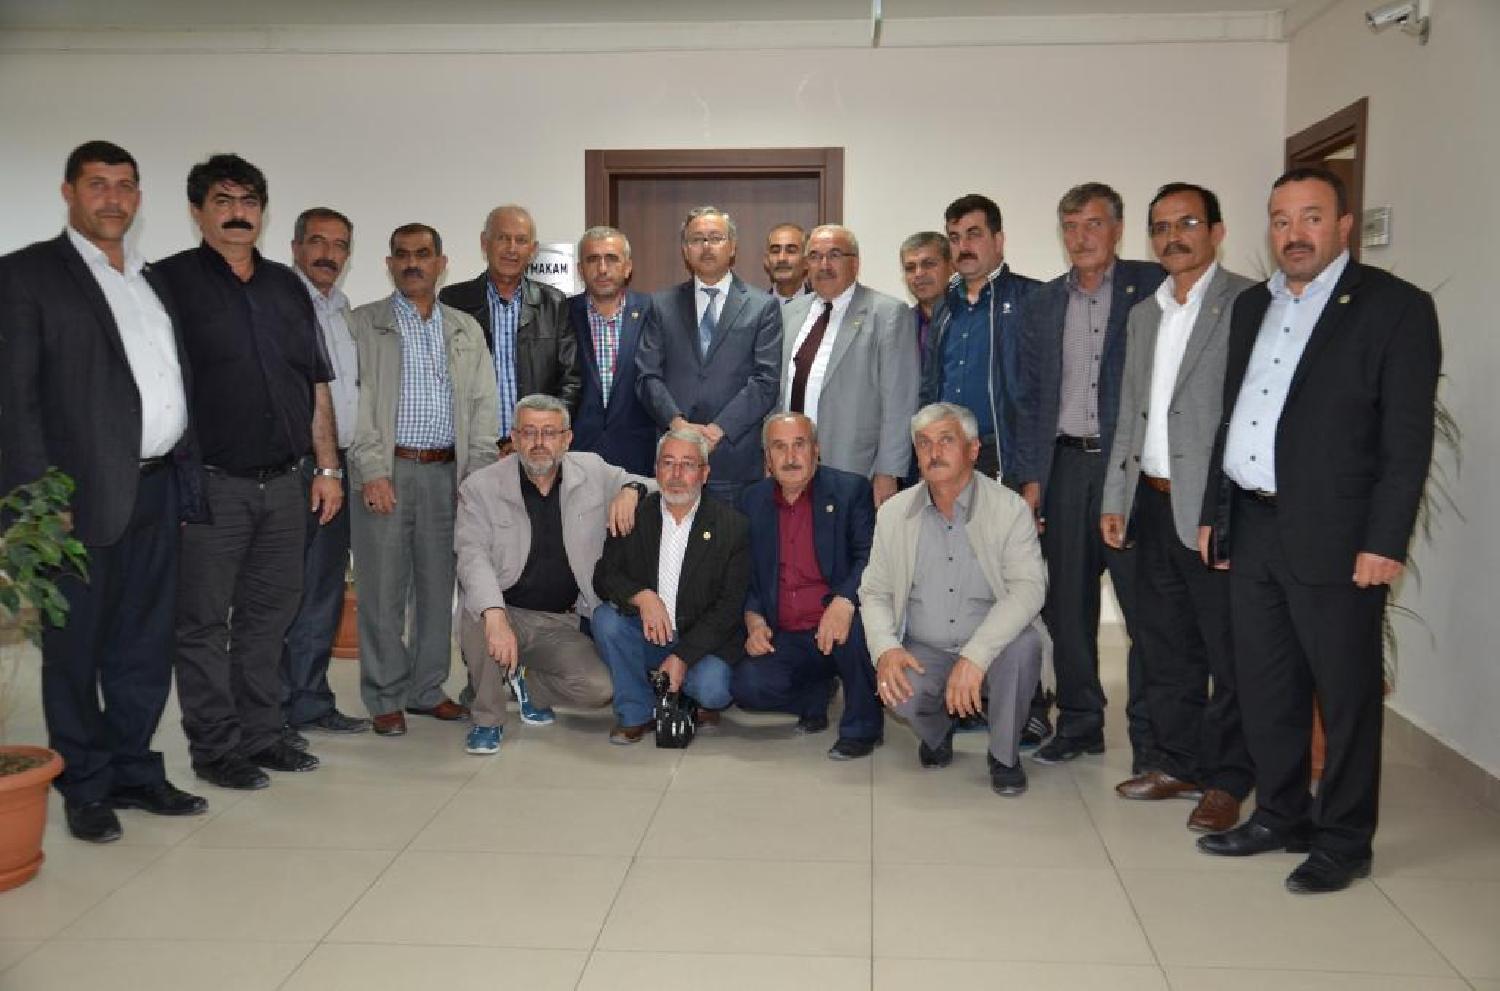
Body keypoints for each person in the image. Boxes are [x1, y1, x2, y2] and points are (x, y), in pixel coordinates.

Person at [1196, 167, 1441, 894]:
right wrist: (1214, 512)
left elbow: (1406, 442)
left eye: (1310, 217)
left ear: (1342, 225)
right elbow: (1234, 418)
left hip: (1339, 537)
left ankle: (1344, 839)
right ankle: (1280, 815)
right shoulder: (1253, 306)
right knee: (1266, 684)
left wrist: (1385, 540)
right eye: (1280, 220)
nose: (1294, 233)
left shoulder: (1395, 308)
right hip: (1253, 524)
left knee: (1345, 694)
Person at [0, 140, 207, 841]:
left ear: (139, 197)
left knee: (144, 646)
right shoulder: (28, 275)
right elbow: (16, 401)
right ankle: (84, 784)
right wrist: (39, 504)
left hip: (157, 489)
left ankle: (134, 770)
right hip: (75, 501)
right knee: (75, 650)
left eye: (124, 185)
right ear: (69, 192)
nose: (112, 198)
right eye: (97, 184)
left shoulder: (150, 281)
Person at [157, 153, 343, 791]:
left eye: (249, 202)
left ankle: (262, 735)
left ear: (262, 212)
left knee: (269, 616)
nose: (238, 214)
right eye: (224, 201)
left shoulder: (285, 287)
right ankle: (216, 748)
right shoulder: (169, 283)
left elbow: (315, 381)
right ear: (198, 211)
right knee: (205, 625)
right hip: (210, 487)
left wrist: (327, 467)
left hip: (286, 483)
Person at [1101, 182, 1254, 833]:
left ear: (1216, 231)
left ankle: (1228, 780)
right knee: (1165, 645)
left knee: (1229, 653)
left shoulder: (1247, 303)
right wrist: (1116, 496)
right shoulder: (1146, 313)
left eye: (1187, 223)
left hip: (1214, 509)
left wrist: (1225, 509)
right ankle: (1178, 762)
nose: (1173, 237)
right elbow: (1131, 414)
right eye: (1162, 226)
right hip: (1152, 501)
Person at [1016, 182, 1165, 770]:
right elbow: (1031, 399)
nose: (1081, 238)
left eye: (1093, 224)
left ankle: (1153, 736)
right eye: (1071, 226)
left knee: (1142, 605)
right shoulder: (1043, 303)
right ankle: (1080, 722)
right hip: (1065, 465)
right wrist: (1033, 478)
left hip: (1128, 468)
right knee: (1068, 607)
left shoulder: (1152, 287)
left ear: (1118, 230)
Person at [348, 223, 499, 737]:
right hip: (387, 473)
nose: (412, 263)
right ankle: (385, 695)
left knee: (439, 589)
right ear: (389, 263)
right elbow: (356, 405)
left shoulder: (463, 328)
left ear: (441, 263)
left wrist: (475, 478)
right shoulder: (363, 324)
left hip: (448, 475)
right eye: (402, 255)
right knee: (382, 591)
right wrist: (372, 470)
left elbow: (483, 406)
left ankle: (426, 690)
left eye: (422, 254)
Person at [862, 403, 1049, 796]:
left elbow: (1028, 589)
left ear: (973, 449)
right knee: (895, 684)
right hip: (925, 648)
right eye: (924, 443)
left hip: (993, 645)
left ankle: (1004, 756)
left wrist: (974, 656)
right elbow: (875, 591)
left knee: (1025, 645)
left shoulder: (1009, 509)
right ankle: (937, 732)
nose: (934, 452)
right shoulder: (894, 513)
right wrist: (886, 649)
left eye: (946, 441)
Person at [454, 394, 648, 753]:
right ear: (514, 438)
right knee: (476, 616)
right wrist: (495, 616)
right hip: (503, 609)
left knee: (598, 688)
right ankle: (487, 719)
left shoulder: (592, 470)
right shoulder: (480, 487)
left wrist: (630, 491)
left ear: (567, 439)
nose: (539, 442)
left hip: (559, 621)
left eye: (549, 432)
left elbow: (651, 483)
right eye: (529, 432)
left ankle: (527, 685)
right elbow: (471, 557)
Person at [733, 413, 883, 759]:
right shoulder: (752, 501)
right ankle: (815, 693)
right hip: (787, 632)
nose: (790, 457)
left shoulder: (850, 491)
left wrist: (844, 600)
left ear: (816, 450)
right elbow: (746, 572)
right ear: (767, 459)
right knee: (745, 686)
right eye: (779, 447)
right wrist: (754, 618)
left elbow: (870, 557)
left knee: (860, 630)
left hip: (838, 622)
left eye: (799, 445)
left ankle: (862, 728)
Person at [591, 429, 750, 744]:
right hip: (649, 634)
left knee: (714, 690)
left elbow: (729, 608)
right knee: (606, 620)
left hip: (701, 642)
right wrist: (642, 597)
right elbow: (604, 576)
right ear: (656, 469)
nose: (676, 474)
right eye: (668, 463)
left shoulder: (732, 527)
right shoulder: (634, 515)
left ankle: (684, 693)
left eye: (688, 464)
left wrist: (683, 657)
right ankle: (636, 712)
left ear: (704, 473)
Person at [281, 206, 370, 737]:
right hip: (297, 467)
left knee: (323, 590)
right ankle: (273, 708)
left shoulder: (341, 309)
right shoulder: (280, 301)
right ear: (296, 247)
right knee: (285, 592)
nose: (327, 254)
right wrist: (322, 465)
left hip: (339, 466)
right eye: (317, 242)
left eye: (339, 245)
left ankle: (310, 701)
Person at [635, 205, 782, 506]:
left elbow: (765, 381)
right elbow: (647, 376)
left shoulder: (762, 306)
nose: (706, 246)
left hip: (734, 460)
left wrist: (717, 431)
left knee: (733, 537)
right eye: (697, 239)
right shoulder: (660, 305)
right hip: (675, 460)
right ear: (685, 250)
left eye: (715, 238)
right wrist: (678, 426)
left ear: (732, 247)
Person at [779, 224, 919, 506]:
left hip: (856, 467)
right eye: (815, 256)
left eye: (834, 255)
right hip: (792, 466)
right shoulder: (790, 313)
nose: (824, 265)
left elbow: (899, 401)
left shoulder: (887, 314)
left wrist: (889, 471)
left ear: (855, 263)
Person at [439, 204, 579, 450]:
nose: (511, 248)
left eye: (521, 240)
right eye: (503, 238)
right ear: (484, 243)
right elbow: (440, 378)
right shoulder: (453, 301)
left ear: (533, 250)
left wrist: (539, 434)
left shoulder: (553, 303)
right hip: (474, 448)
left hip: (534, 449)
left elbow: (570, 381)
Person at [920, 194, 1038, 482]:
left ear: (998, 240)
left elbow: (1043, 394)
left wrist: (1032, 473)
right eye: (955, 238)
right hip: (946, 452)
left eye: (974, 235)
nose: (963, 247)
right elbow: (930, 385)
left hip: (1003, 454)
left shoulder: (1031, 299)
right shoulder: (944, 306)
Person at [568, 226, 657, 476]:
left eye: (612, 259)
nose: (602, 269)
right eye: (592, 259)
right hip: (576, 458)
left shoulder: (653, 311)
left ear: (628, 267)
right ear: (580, 270)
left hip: (640, 458)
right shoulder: (561, 314)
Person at [899, 231, 953, 367]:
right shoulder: (900, 326)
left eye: (928, 264)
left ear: (951, 267)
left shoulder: (972, 319)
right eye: (910, 268)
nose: (919, 273)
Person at [763, 222, 810, 305]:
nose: (782, 258)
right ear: (766, 260)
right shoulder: (757, 308)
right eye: (775, 251)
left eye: (791, 251)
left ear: (806, 261)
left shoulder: (822, 307)